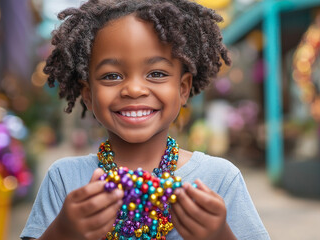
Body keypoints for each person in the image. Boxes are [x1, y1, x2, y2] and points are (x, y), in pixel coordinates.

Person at [21, 0, 270, 239]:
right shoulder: (65, 180)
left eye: (156, 73)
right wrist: (63, 233)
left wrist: (219, 237)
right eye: (111, 76)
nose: (134, 89)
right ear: (88, 94)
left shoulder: (219, 179)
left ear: (183, 88)